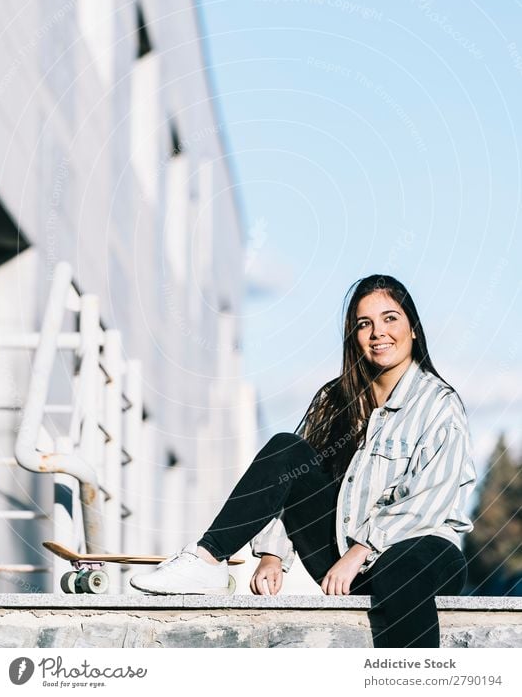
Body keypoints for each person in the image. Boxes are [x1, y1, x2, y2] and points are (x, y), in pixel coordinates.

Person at [131, 274, 477, 648]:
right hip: (342, 560)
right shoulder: (337, 399)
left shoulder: (439, 405)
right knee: (286, 448)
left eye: (390, 318)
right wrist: (271, 555)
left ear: (412, 328)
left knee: (401, 570)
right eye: (365, 324)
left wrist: (363, 550)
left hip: (422, 554)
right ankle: (205, 561)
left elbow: (428, 499)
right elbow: (292, 480)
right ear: (354, 336)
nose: (378, 332)